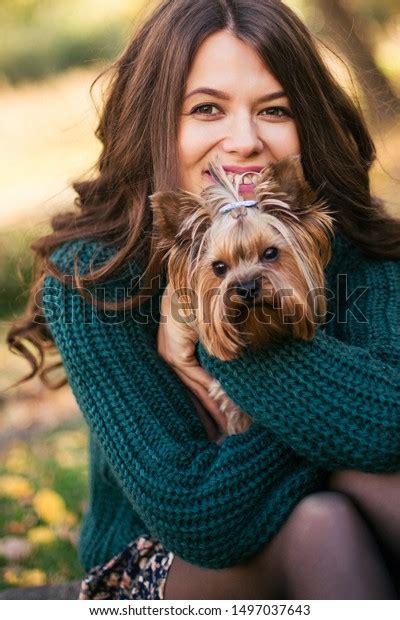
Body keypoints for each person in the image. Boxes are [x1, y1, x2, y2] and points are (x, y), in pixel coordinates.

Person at [7, 0, 400, 600]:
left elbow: (389, 427)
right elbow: (200, 517)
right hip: (161, 564)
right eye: (207, 108)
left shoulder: (347, 238)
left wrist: (208, 339)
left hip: (300, 493)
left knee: (377, 485)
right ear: (156, 120)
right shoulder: (91, 277)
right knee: (319, 523)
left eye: (274, 109)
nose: (243, 141)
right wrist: (229, 320)